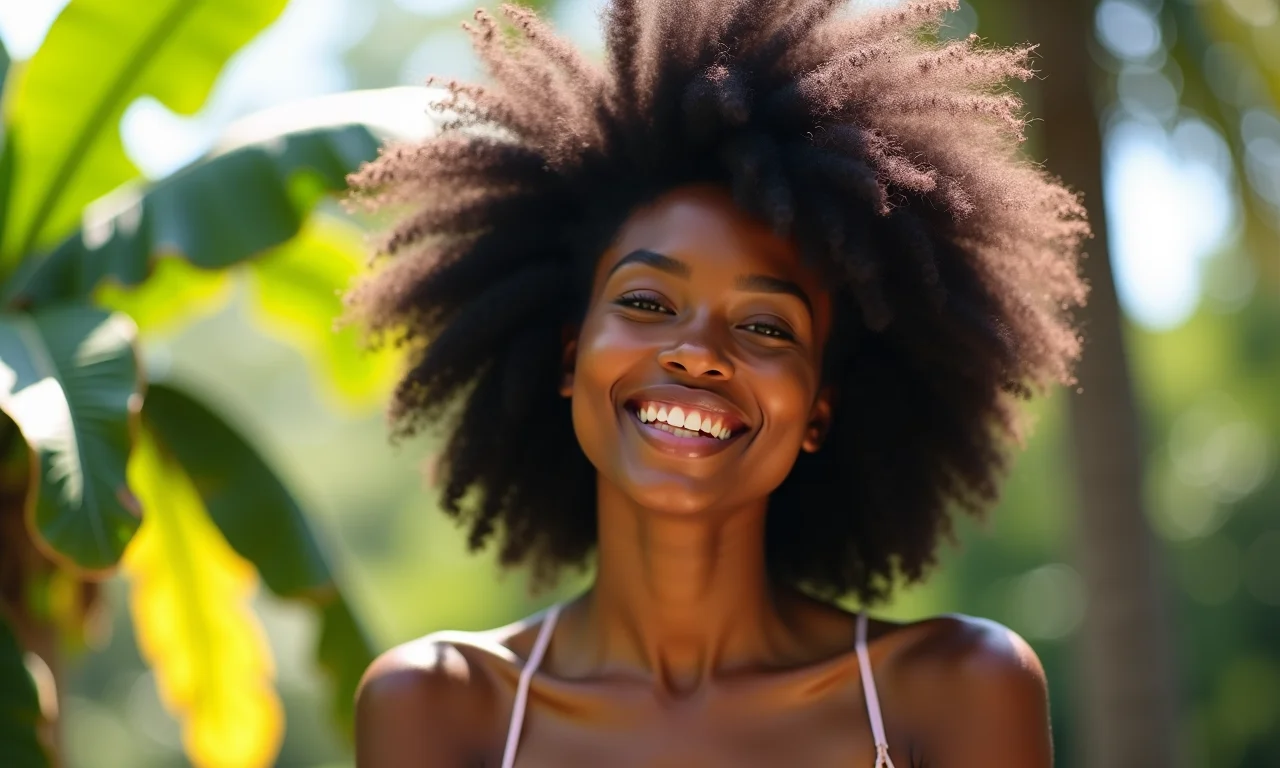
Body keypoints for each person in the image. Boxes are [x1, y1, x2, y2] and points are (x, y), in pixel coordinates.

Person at [343, 0, 1090, 765]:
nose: (698, 353)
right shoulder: (441, 704)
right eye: (645, 302)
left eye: (766, 327)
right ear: (570, 358)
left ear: (818, 412)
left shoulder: (953, 690)